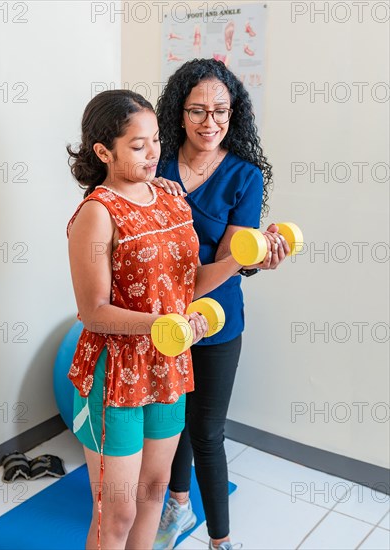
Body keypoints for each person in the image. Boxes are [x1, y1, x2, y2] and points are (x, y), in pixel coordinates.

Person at [66, 89, 277, 550]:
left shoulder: (169, 199)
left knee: (154, 493)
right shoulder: (97, 214)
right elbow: (93, 310)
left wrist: (246, 260)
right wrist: (162, 324)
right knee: (115, 512)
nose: (154, 153)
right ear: (104, 152)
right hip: (116, 372)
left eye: (157, 140)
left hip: (168, 363)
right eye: (138, 146)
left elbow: (188, 284)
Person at [152, 59, 289, 550]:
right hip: (160, 317)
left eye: (221, 111)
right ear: (178, 112)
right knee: (173, 423)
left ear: (235, 113)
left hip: (215, 316)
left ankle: (221, 541)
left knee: (206, 429)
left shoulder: (244, 175)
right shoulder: (158, 162)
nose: (210, 122)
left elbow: (233, 259)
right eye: (197, 111)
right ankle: (176, 503)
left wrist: (255, 258)